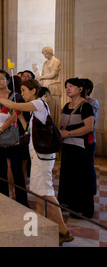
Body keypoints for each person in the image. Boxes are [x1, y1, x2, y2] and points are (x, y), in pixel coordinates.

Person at [0, 79, 74, 245]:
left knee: (46, 193)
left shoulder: (38, 104)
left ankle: (61, 230)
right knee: (41, 192)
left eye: (24, 90)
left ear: (33, 91)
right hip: (38, 156)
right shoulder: (35, 109)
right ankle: (49, 229)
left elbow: (14, 105)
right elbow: (28, 130)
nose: (22, 93)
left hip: (42, 157)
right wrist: (21, 119)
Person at [0, 70, 28, 207]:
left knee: (16, 170)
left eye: (2, 78)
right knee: (1, 169)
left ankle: (22, 201)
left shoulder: (15, 96)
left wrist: (0, 129)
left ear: (8, 81)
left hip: (12, 137)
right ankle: (2, 198)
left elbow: (14, 115)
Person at [58, 78, 95, 219]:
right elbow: (63, 125)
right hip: (68, 146)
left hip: (81, 147)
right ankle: (68, 203)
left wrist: (67, 133)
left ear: (80, 89)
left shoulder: (85, 106)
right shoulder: (67, 105)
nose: (68, 89)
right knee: (68, 175)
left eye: (71, 86)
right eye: (66, 86)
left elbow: (88, 127)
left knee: (81, 177)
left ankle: (83, 209)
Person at [81, 78, 99, 195]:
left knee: (88, 166)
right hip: (75, 139)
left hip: (88, 138)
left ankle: (90, 191)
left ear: (86, 89)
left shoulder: (92, 102)